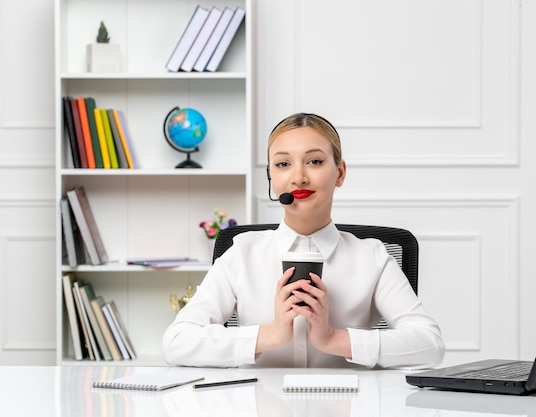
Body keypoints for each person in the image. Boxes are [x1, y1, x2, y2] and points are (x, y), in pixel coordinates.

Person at [162, 112, 445, 368]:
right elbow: (176, 342)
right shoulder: (242, 253)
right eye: (283, 164)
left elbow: (430, 345)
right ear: (271, 177)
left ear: (340, 173)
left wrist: (333, 338)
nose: (298, 177)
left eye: (315, 161)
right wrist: (268, 335)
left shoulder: (372, 256)